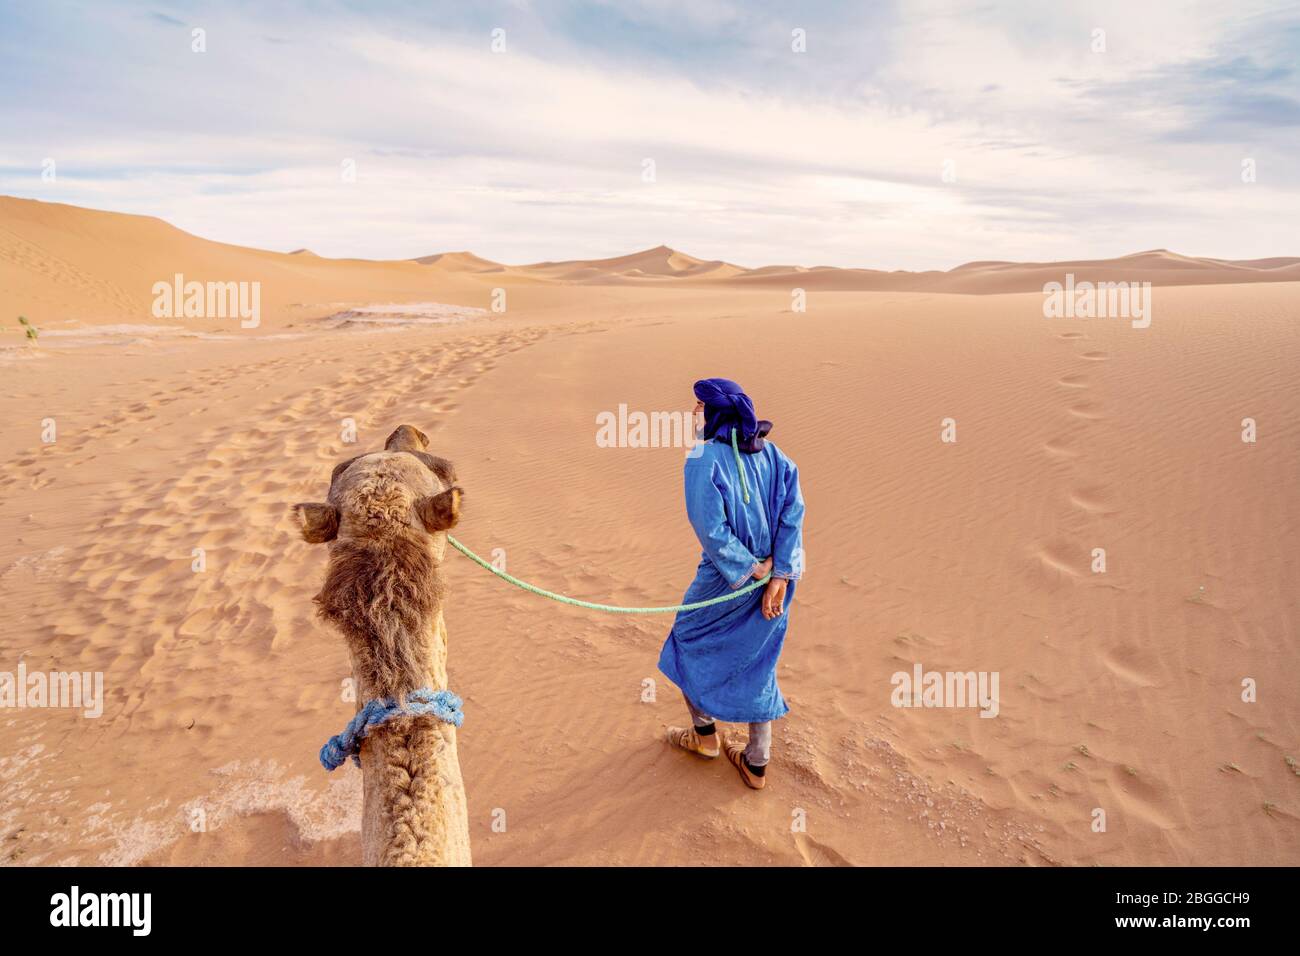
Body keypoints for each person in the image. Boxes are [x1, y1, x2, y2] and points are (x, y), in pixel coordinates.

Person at [658, 378, 805, 789]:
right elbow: (794, 515)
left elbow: (711, 529)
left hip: (727, 580)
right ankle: (757, 763)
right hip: (775, 581)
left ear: (715, 414)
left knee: (686, 641)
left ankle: (705, 737)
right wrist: (780, 575)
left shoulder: (703, 458)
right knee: (759, 660)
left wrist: (755, 572)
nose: (692, 414)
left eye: (698, 407)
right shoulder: (775, 454)